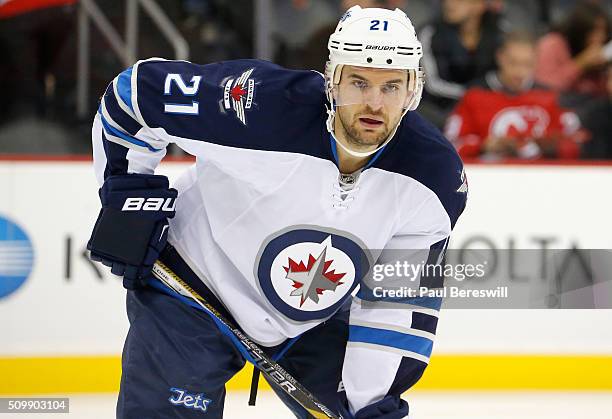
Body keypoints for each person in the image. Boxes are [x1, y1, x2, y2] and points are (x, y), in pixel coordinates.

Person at [87, 6, 467, 418]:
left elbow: (397, 304)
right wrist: (128, 200)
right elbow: (136, 95)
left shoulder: (434, 178)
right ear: (332, 80)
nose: (374, 103)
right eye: (359, 82)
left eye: (392, 87)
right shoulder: (260, 107)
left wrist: (370, 404)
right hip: (189, 290)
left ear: (413, 91)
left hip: (308, 321)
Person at [445, 31, 584, 160]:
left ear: (536, 62)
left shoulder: (550, 97)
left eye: (527, 64)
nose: (519, 72)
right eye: (513, 63)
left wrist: (553, 147)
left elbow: (577, 144)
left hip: (540, 178)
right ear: (500, 57)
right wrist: (483, 146)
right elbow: (449, 147)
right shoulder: (474, 95)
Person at [419, 0, 505, 127]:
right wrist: (473, 96)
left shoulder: (499, 32)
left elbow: (502, 73)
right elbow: (432, 84)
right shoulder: (429, 33)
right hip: (438, 107)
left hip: (484, 103)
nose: (449, 4)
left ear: (479, 6)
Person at [535, 1, 611, 97]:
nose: (600, 37)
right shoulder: (552, 44)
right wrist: (580, 64)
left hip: (591, 107)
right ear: (579, 30)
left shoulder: (602, 52)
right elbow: (544, 88)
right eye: (593, 31)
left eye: (603, 31)